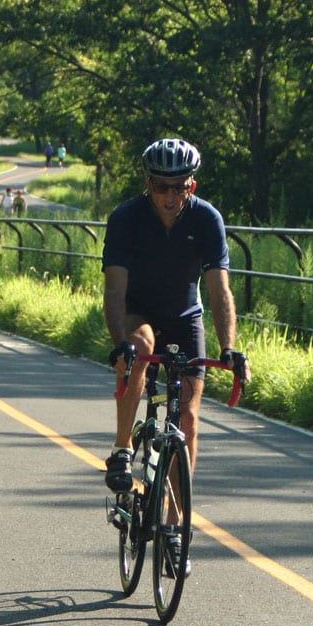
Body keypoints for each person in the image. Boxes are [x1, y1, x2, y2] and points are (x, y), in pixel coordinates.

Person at [102, 138, 250, 575]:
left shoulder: (207, 219)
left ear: (192, 185)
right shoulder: (127, 218)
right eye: (160, 186)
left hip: (187, 319)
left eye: (178, 187)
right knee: (142, 349)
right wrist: (120, 343)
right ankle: (122, 447)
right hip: (139, 313)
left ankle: (177, 530)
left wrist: (229, 347)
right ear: (147, 185)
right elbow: (114, 290)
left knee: (187, 418)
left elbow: (220, 291)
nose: (169, 196)